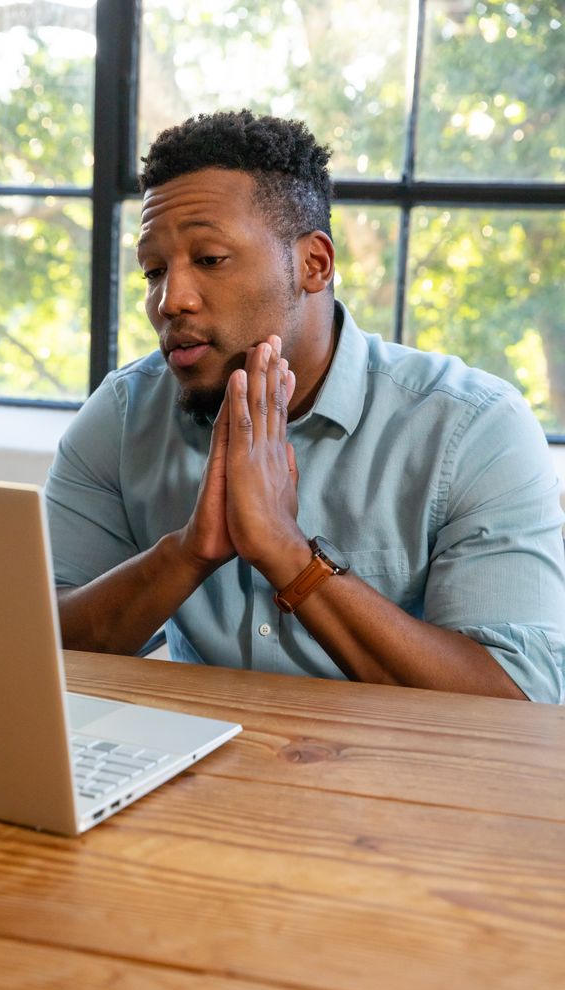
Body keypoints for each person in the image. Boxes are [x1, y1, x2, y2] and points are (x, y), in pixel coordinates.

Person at [45, 110, 565, 703]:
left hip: (397, 781)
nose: (171, 300)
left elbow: (520, 699)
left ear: (314, 264)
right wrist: (187, 554)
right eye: (154, 271)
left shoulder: (473, 427)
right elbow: (34, 640)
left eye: (209, 259)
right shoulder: (122, 414)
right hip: (191, 777)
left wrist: (288, 554)